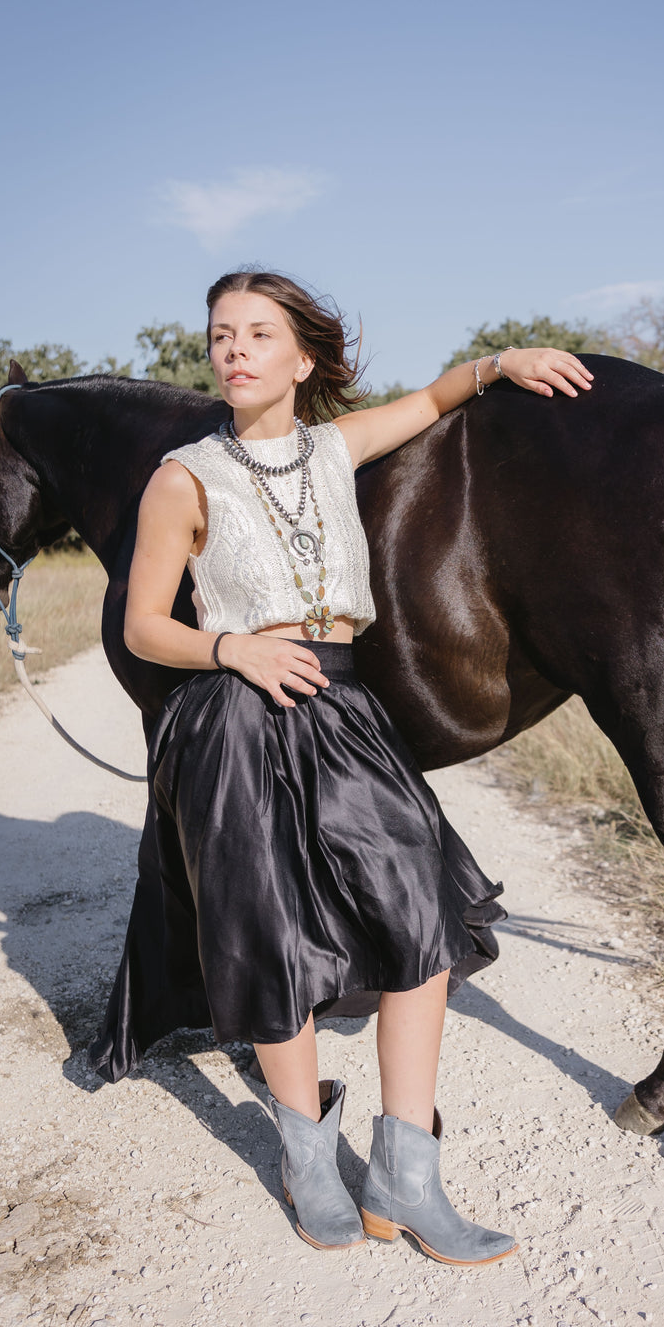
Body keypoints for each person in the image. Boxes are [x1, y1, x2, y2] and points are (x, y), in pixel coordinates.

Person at [97, 268, 592, 1265]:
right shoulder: (182, 477)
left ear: (304, 358)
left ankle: (408, 1178)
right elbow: (146, 625)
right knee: (272, 940)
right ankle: (307, 1158)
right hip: (235, 718)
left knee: (421, 922)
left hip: (343, 706)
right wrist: (230, 649)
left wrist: (507, 361)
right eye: (222, 334)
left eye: (258, 333)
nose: (234, 349)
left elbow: (438, 396)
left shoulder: (335, 449)